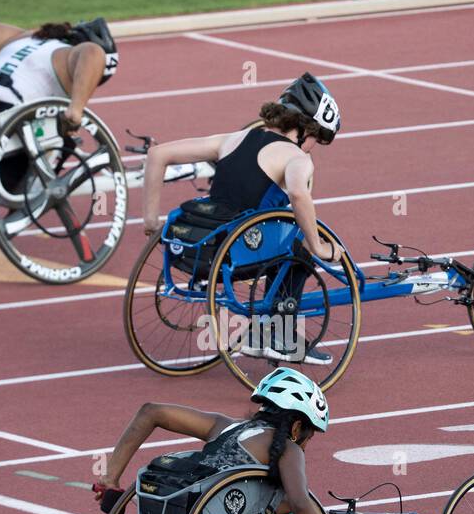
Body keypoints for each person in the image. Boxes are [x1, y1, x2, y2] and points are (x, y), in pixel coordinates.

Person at [92, 367, 347, 514]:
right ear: (295, 427)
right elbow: (301, 504)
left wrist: (110, 478)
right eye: (309, 437)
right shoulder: (289, 450)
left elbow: (151, 411)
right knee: (296, 503)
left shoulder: (225, 426)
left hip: (182, 506)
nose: (305, 447)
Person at [138, 74, 342, 364]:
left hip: (199, 250)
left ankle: (268, 328)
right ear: (303, 128)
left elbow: (157, 154)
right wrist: (319, 246)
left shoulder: (233, 139)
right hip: (239, 256)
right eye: (317, 139)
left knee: (280, 236)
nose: (313, 147)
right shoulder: (297, 157)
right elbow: (298, 195)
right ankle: (278, 334)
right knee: (301, 246)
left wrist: (150, 222)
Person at [0, 17, 118, 132]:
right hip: (6, 108)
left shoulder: (25, 38)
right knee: (56, 138)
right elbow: (93, 53)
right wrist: (76, 110)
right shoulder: (69, 55)